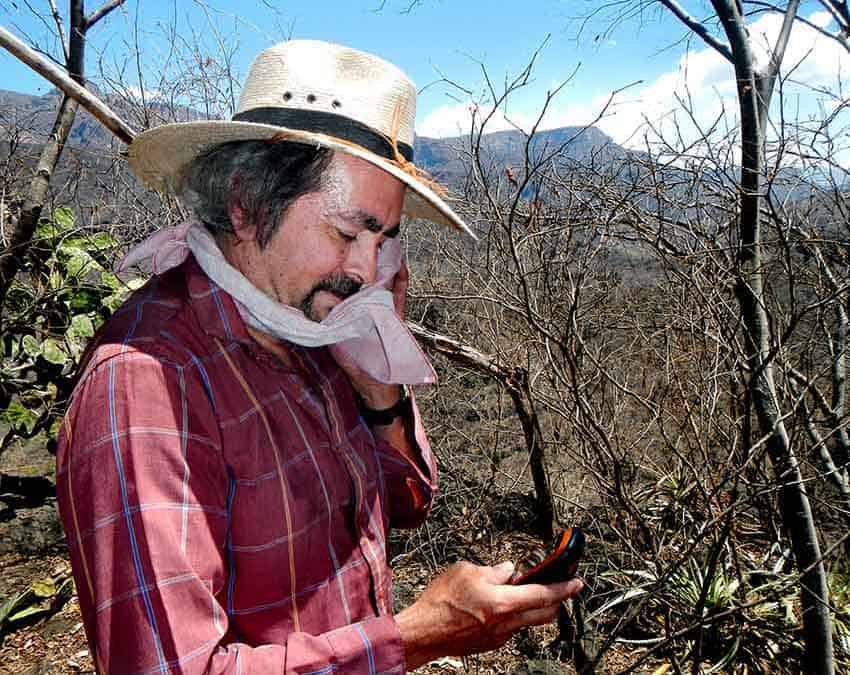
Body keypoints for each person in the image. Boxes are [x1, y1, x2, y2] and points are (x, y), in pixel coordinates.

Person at [56, 39, 582, 674]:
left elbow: (406, 504)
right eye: (347, 232)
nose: (367, 270)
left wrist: (375, 381)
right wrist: (418, 637)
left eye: (384, 240)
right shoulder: (149, 382)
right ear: (247, 203)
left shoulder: (314, 325)